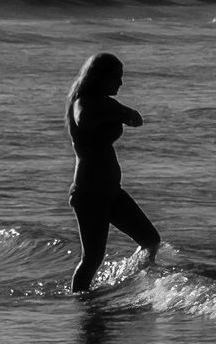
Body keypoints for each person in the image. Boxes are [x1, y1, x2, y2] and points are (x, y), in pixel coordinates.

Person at [66, 51, 160, 292]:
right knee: (92, 258)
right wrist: (116, 113)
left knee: (150, 240)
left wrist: (122, 112)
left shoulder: (107, 102)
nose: (121, 83)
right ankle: (81, 303)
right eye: (116, 77)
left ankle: (129, 282)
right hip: (89, 193)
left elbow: (136, 119)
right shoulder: (83, 101)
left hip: (112, 192)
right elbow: (84, 119)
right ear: (100, 77)